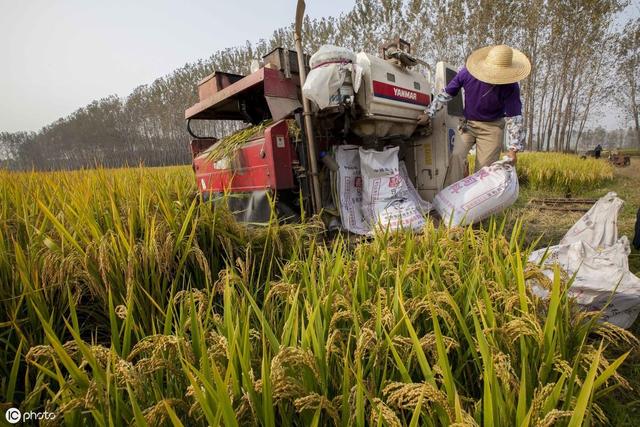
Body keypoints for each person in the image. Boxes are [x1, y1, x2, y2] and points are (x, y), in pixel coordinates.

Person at [419, 45, 531, 186]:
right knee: (457, 157)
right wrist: (428, 113)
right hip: (468, 124)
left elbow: (514, 118)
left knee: (484, 169)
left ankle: (475, 205)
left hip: (492, 128)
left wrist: (513, 150)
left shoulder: (510, 85)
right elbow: (446, 94)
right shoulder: (467, 73)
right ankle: (449, 199)